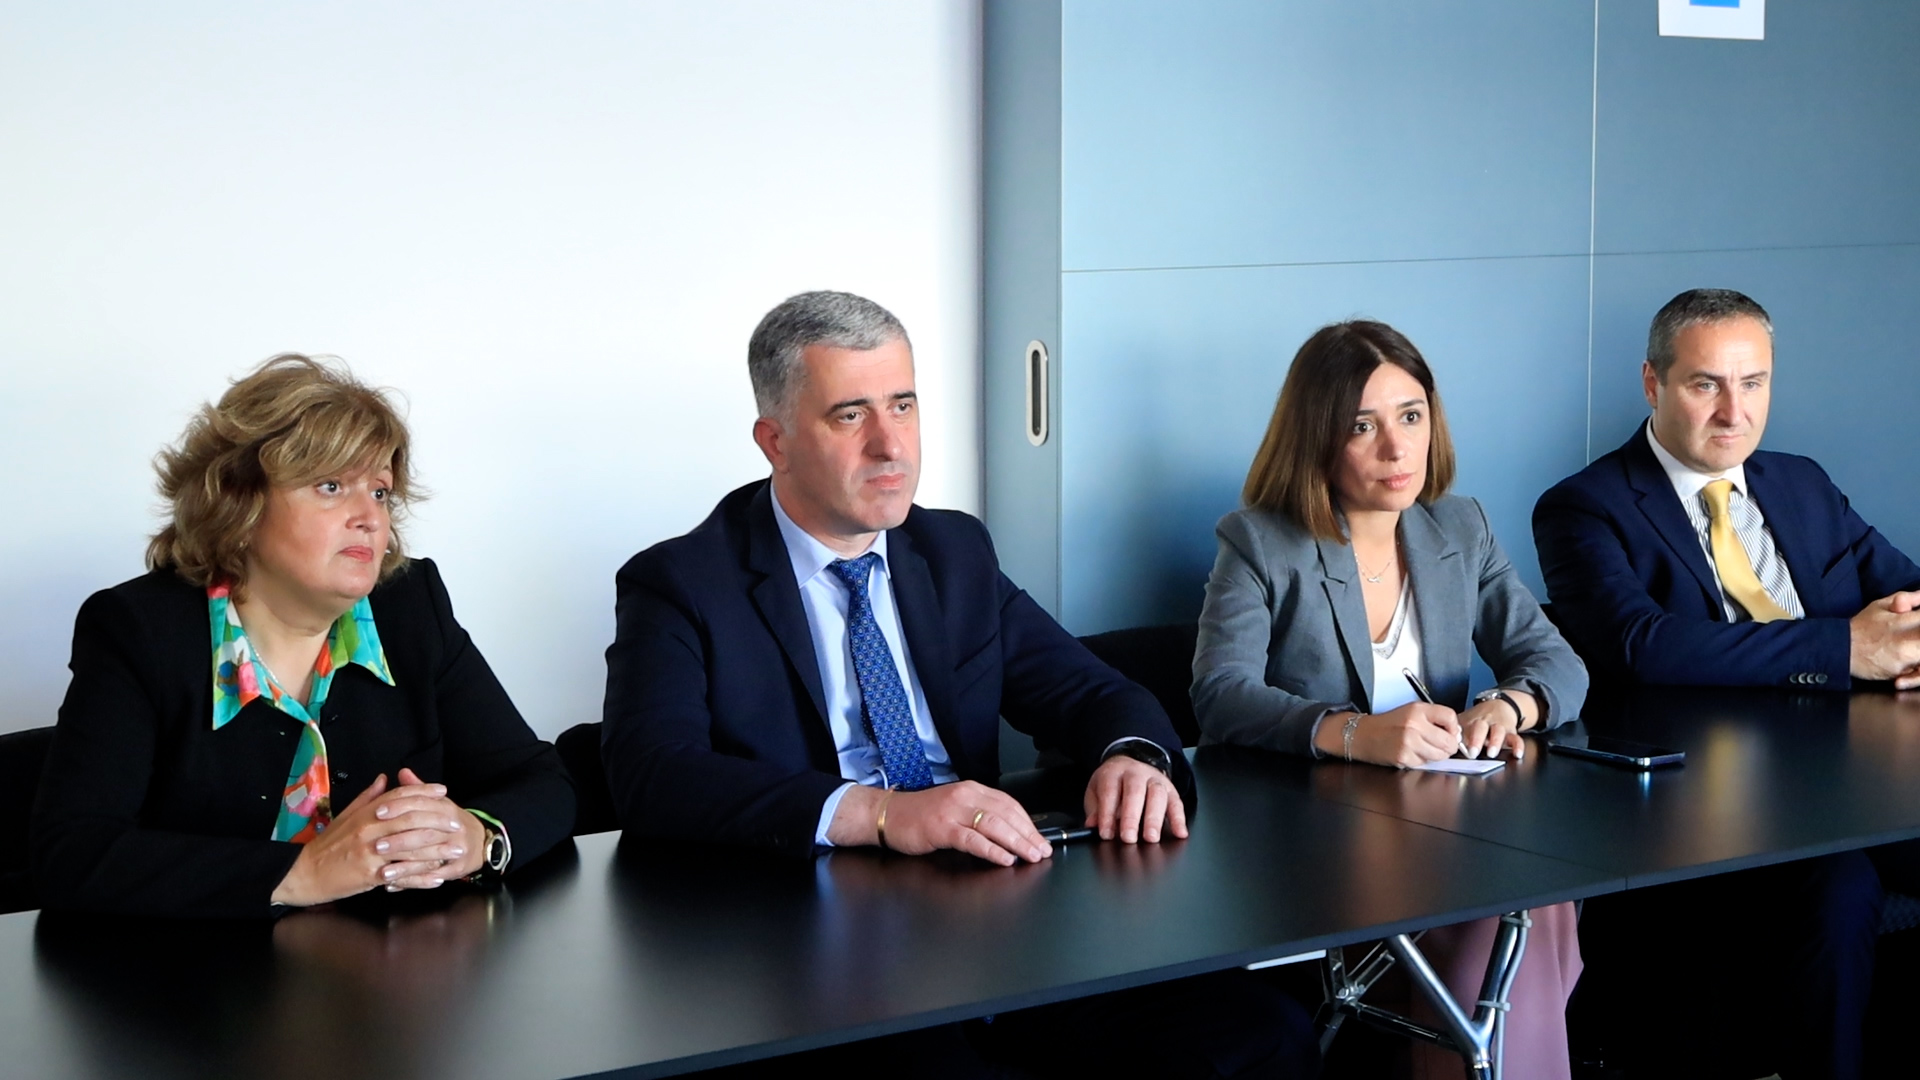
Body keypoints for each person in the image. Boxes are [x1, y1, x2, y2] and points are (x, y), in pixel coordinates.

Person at [602, 290, 1314, 1078]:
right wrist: (882, 813)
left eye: (903, 405)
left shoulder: (952, 552)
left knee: (1262, 1032)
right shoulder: (681, 583)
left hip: (992, 915)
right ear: (776, 441)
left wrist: (1134, 756)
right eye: (850, 415)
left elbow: (1092, 692)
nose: (890, 445)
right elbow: (649, 773)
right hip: (815, 947)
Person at [32, 355, 575, 919]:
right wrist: (303, 871)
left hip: (391, 964)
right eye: (331, 486)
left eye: (380, 492)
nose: (369, 517)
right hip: (198, 968)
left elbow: (543, 781)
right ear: (239, 504)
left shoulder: (411, 609)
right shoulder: (140, 631)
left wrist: (477, 838)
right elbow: (72, 856)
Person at [1534, 288, 1920, 1079]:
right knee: (1841, 889)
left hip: (1863, 776)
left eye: (1753, 383)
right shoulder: (1585, 508)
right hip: (1716, 808)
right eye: (1705, 384)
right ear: (1653, 383)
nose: (1733, 412)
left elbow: (1903, 591)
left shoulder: (1802, 483)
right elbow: (1644, 647)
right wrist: (1845, 646)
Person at [1192, 319, 1588, 1080]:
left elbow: (1556, 660)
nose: (1397, 448)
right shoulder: (1260, 542)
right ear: (1316, 438)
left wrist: (1506, 707)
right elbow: (1220, 694)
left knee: (1534, 899)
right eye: (1362, 426)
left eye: (1411, 416)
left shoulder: (1459, 526)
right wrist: (1353, 733)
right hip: (1313, 836)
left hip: (1448, 825)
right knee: (1510, 915)